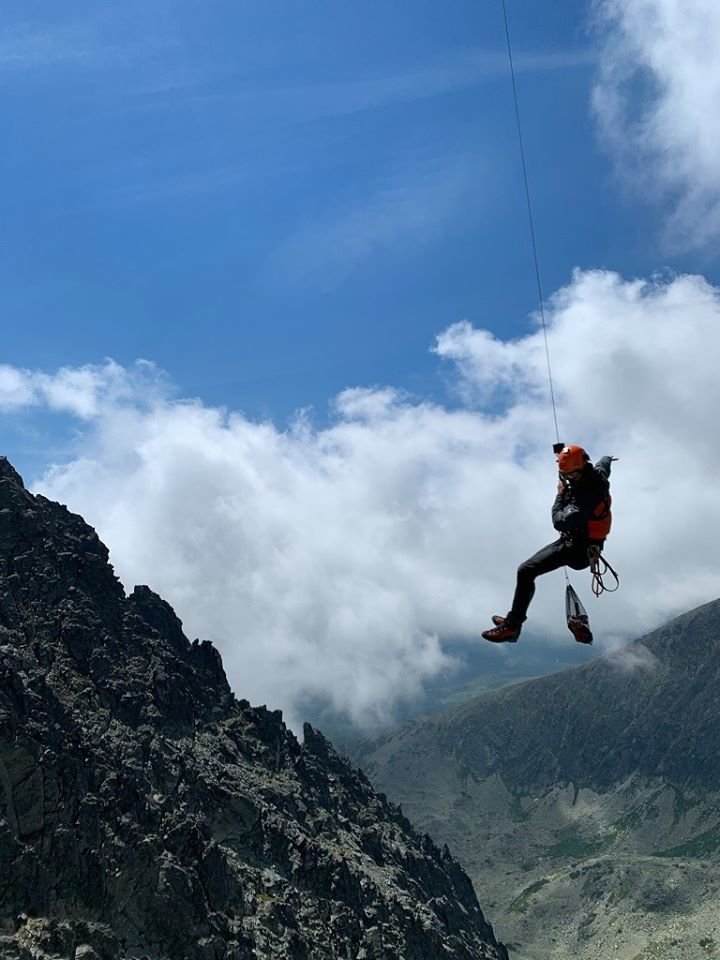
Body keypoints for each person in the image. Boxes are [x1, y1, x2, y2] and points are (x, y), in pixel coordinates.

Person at [481, 445, 616, 643]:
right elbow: (603, 465)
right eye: (565, 475)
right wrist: (608, 456)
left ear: (581, 469)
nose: (568, 479)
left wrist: (560, 494)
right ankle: (513, 621)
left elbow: (559, 521)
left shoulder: (588, 497)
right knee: (527, 571)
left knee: (526, 571)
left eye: (571, 475)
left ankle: (512, 627)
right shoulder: (595, 474)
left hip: (577, 550)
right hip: (582, 544)